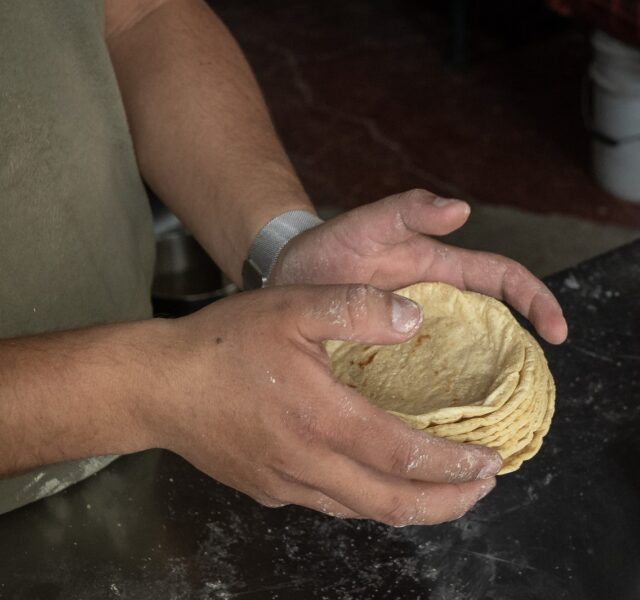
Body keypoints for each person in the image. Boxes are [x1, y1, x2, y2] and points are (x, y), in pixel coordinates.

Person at [0, 0, 567, 524]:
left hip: (135, 434)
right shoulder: (161, 389)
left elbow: (139, 15)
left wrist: (282, 249)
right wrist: (155, 387)